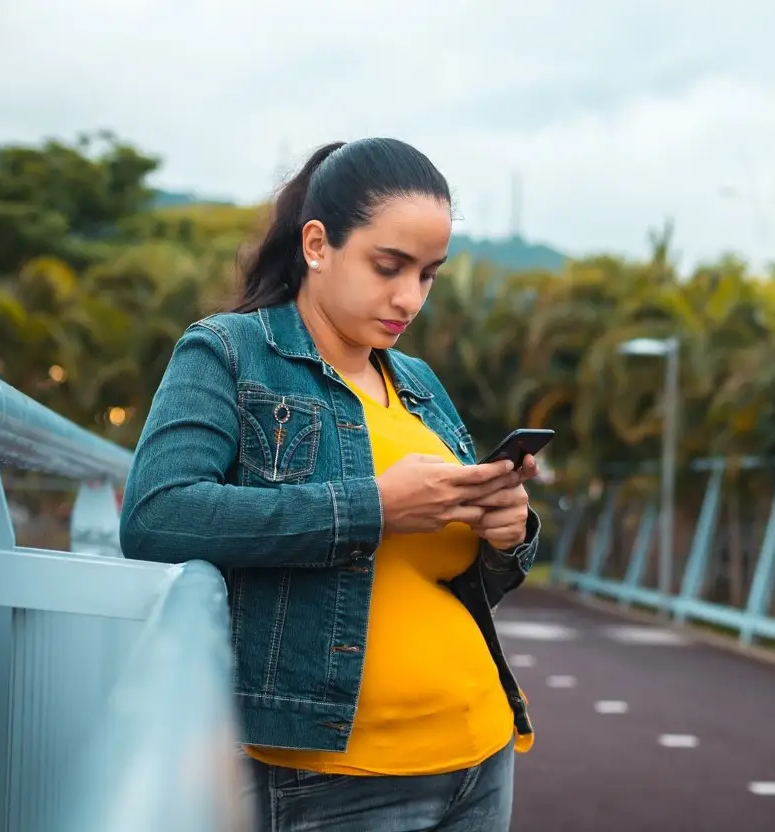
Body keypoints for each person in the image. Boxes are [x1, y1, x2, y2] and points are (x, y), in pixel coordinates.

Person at [119, 137, 542, 831]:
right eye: (388, 266)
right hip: (332, 775)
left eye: (429, 275)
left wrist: (506, 532)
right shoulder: (230, 351)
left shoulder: (420, 385)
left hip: (480, 748)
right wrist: (374, 506)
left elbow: (465, 578)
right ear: (317, 244)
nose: (409, 297)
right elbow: (158, 513)